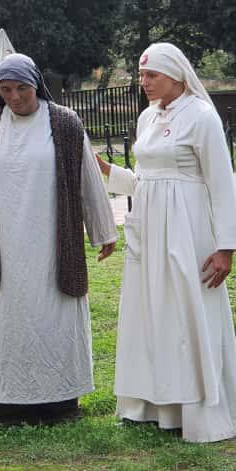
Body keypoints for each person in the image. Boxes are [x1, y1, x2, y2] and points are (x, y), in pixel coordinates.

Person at [0, 53, 117, 427]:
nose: (15, 97)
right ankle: (10, 405)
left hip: (55, 246)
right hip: (7, 249)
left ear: (36, 85)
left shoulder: (64, 123)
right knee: (11, 325)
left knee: (56, 318)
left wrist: (103, 230)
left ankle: (61, 403)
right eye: (6, 90)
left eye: (22, 88)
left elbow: (87, 179)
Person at [95, 43, 236, 443]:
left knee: (187, 311)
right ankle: (155, 405)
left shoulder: (202, 116)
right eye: (141, 75)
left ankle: (198, 408)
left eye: (151, 75)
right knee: (152, 312)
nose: (144, 82)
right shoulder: (147, 117)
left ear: (175, 75)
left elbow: (222, 183)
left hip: (189, 230)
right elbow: (145, 179)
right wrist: (107, 171)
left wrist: (226, 248)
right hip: (150, 230)